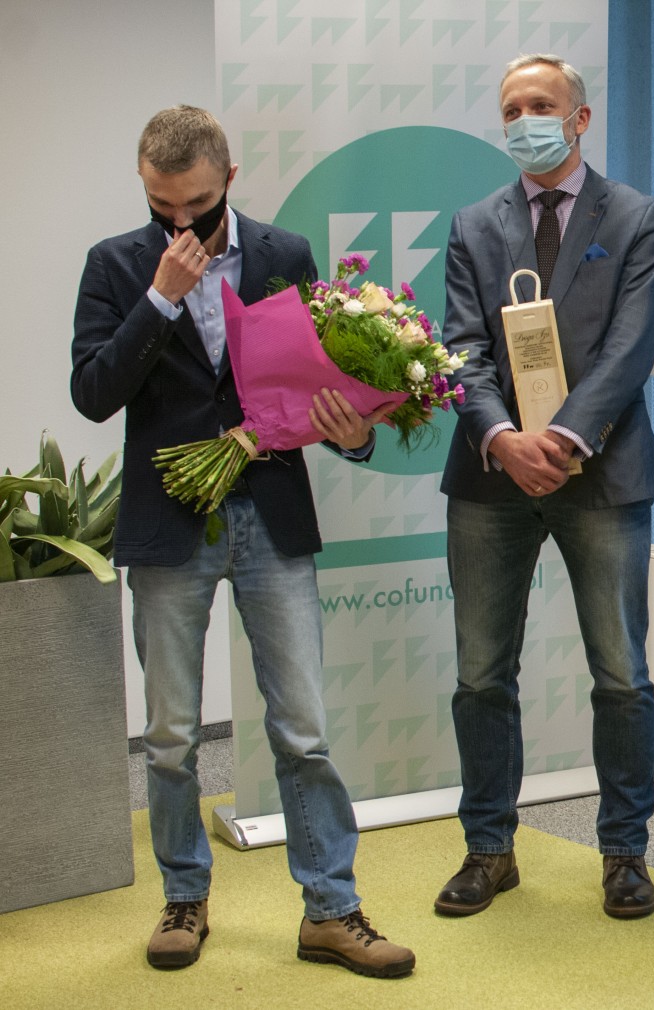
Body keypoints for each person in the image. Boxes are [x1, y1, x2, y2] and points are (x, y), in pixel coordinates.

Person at [71, 105, 413, 978]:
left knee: (303, 730)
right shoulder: (116, 264)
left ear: (228, 176)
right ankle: (184, 897)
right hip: (167, 524)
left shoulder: (284, 254)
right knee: (171, 735)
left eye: (195, 204)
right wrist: (160, 298)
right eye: (161, 207)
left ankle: (331, 910)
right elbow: (93, 394)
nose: (179, 223)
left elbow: (318, 381)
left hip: (272, 512)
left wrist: (352, 433)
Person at [435, 53, 654, 921]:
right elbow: (460, 348)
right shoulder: (474, 224)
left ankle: (625, 854)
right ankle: (488, 850)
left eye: (542, 104)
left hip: (602, 472)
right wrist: (503, 438)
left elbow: (630, 348)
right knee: (480, 676)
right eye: (511, 108)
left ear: (580, 118)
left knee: (621, 676)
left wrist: (563, 438)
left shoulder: (637, 217)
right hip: (491, 475)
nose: (525, 119)